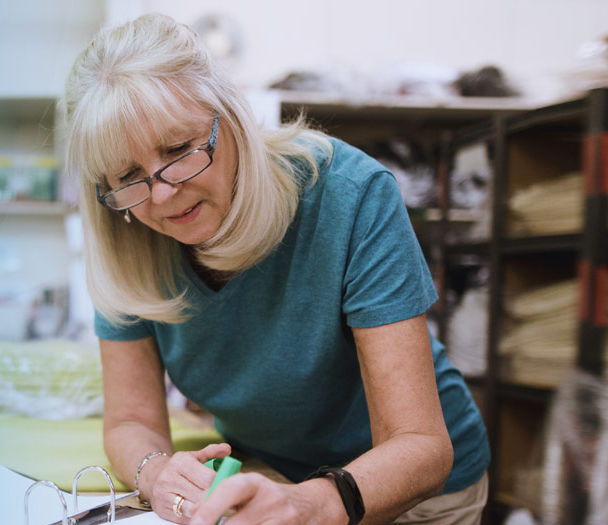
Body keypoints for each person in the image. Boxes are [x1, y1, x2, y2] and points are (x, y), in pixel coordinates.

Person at [58, 14, 490, 525]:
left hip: (413, 491)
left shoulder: (347, 194)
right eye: (129, 177)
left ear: (232, 116)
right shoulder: (128, 239)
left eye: (179, 149)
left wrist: (313, 503)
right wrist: (155, 473)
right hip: (272, 475)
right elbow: (130, 421)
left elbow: (421, 447)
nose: (164, 193)